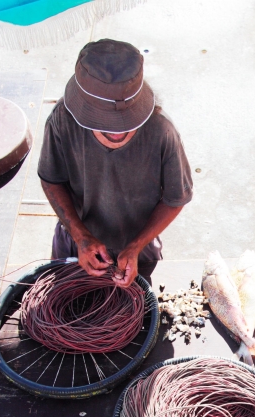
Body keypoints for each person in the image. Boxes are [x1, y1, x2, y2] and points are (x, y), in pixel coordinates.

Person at [38, 38, 194, 287]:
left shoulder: (162, 131)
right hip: (73, 242)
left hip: (139, 253)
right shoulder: (61, 120)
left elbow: (175, 199)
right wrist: (81, 238)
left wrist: (135, 245)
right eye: (104, 123)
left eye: (126, 123)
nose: (118, 132)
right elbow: (51, 179)